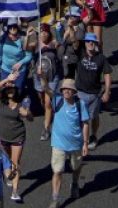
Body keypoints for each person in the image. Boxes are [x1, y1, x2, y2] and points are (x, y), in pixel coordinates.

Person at [49, 79, 89, 207]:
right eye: (64, 89)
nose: (66, 91)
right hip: (58, 143)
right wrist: (43, 77)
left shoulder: (80, 104)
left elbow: (85, 124)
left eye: (69, 89)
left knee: (76, 167)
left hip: (76, 144)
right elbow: (46, 89)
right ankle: (55, 198)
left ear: (74, 92)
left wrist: (85, 143)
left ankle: (75, 183)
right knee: (57, 171)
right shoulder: (58, 100)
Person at [74, 34, 113, 149]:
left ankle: (94, 136)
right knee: (81, 118)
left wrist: (107, 91)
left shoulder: (101, 58)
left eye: (93, 42)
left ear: (96, 43)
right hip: (80, 93)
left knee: (94, 117)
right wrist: (71, 27)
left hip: (95, 95)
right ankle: (81, 140)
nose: (90, 43)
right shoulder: (80, 54)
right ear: (85, 43)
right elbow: (74, 41)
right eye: (88, 41)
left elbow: (107, 74)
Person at [0, 86, 32, 202]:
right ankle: (8, 175)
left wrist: (27, 114)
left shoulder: (21, 104)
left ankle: (15, 191)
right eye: (8, 90)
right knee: (6, 160)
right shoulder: (1, 102)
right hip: (3, 136)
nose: (10, 91)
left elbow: (31, 119)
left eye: (12, 90)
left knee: (15, 162)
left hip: (17, 137)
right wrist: (7, 80)